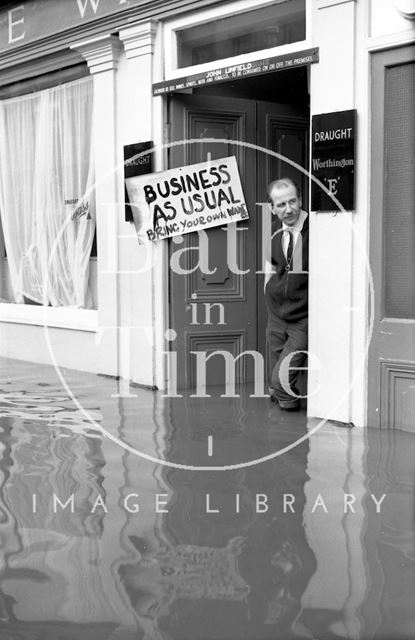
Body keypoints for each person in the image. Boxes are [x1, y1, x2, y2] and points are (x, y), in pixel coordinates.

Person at [264, 178, 308, 411]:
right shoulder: (272, 229)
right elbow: (271, 264)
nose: (288, 209)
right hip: (277, 313)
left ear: (300, 200)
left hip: (303, 315)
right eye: (281, 205)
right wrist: (268, 290)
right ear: (272, 208)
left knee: (280, 382)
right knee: (275, 384)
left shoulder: (317, 228)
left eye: (293, 201)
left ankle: (293, 435)